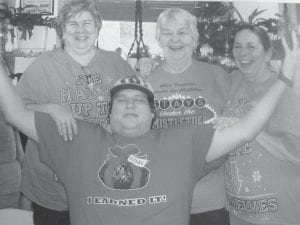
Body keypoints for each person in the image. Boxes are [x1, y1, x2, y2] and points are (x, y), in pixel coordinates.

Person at [0, 35, 298, 224]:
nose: (130, 105)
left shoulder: (183, 141)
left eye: (139, 101)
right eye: (122, 101)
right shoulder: (77, 138)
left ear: (153, 113)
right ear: (109, 111)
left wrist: (284, 77)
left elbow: (246, 130)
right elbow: (15, 111)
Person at [16, 0, 135, 224]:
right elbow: (16, 107)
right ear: (62, 30)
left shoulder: (116, 63)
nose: (81, 30)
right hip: (53, 184)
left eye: (87, 23)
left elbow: (138, 106)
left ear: (98, 27)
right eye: (72, 24)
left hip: (104, 181)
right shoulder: (43, 65)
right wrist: (50, 108)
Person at [145, 8, 231, 225]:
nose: (175, 39)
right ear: (159, 38)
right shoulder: (147, 82)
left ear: (194, 38)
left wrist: (230, 121)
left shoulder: (217, 75)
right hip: (162, 200)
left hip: (211, 201)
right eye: (167, 33)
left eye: (182, 32)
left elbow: (236, 121)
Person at [222, 25, 300, 225]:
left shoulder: (284, 91)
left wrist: (246, 129)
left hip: (278, 211)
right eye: (237, 46)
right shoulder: (231, 80)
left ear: (268, 54)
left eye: (251, 46)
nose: (243, 53)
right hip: (238, 209)